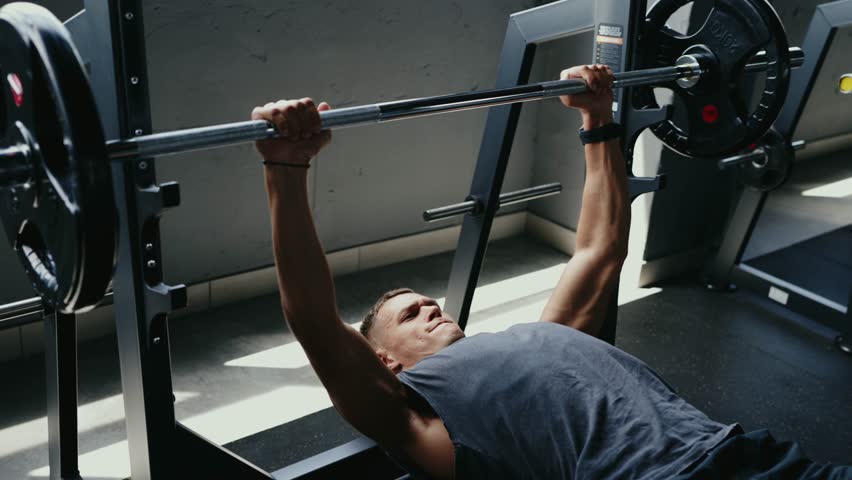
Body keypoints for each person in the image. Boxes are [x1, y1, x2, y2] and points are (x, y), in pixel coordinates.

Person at [253, 65, 850, 479]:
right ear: (384, 360)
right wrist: (286, 166)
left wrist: (596, 118)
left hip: (752, 454)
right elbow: (315, 323)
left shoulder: (544, 334)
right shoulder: (413, 413)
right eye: (410, 314)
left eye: (427, 301)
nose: (432, 307)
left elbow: (599, 248)